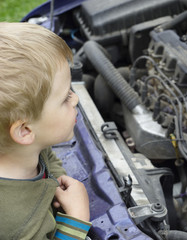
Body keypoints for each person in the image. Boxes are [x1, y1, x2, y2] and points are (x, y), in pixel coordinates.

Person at [0, 22, 91, 239]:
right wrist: (78, 217)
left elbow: (47, 156)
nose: (75, 98)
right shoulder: (17, 223)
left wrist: (58, 181)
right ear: (25, 131)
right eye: (65, 98)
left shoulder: (24, 149)